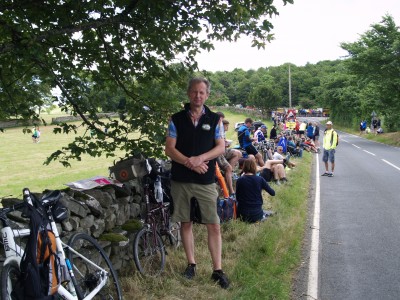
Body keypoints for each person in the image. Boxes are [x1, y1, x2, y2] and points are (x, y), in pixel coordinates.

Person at [165, 77, 230, 289]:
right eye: (194, 92)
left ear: (207, 95)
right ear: (188, 93)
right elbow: (169, 149)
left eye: (202, 92)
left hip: (205, 180)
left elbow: (220, 147)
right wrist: (189, 162)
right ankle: (191, 264)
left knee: (214, 224)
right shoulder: (176, 119)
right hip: (181, 180)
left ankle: (217, 270)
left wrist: (200, 159)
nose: (197, 96)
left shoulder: (214, 120)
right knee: (185, 223)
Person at [236, 159, 275, 223]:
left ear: (244, 167)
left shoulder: (239, 180)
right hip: (257, 214)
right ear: (254, 167)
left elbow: (237, 197)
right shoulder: (260, 179)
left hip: (242, 216)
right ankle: (264, 215)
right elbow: (273, 193)